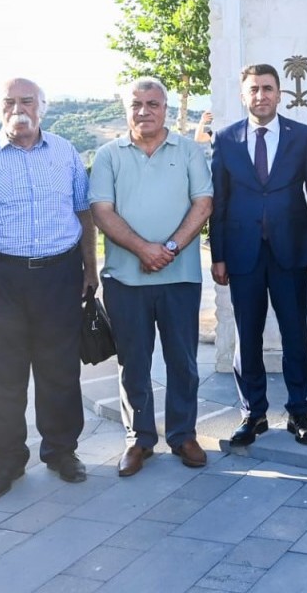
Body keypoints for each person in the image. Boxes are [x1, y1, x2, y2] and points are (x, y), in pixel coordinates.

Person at [0, 78, 98, 501]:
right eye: (9, 102)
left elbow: (84, 215)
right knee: (0, 376)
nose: (18, 108)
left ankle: (62, 452)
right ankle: (6, 462)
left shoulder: (65, 152)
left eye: (27, 100)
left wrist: (90, 268)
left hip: (58, 275)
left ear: (41, 108)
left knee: (61, 370)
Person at [89, 77, 213, 476]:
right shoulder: (108, 154)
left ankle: (183, 435)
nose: (144, 111)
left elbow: (204, 203)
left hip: (180, 279)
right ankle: (138, 439)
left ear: (165, 107)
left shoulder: (189, 150)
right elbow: (102, 211)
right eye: (136, 104)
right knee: (133, 364)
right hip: (125, 280)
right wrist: (144, 249)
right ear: (127, 109)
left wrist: (170, 248)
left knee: (183, 362)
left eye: (153, 104)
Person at [210, 64, 307, 447]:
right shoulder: (224, 140)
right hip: (243, 255)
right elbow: (219, 203)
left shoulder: (302, 137)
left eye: (268, 88)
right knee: (248, 337)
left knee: (295, 334)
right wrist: (218, 255)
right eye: (253, 89)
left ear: (280, 93)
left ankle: (299, 412)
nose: (261, 95)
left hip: (291, 254)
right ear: (244, 95)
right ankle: (252, 414)